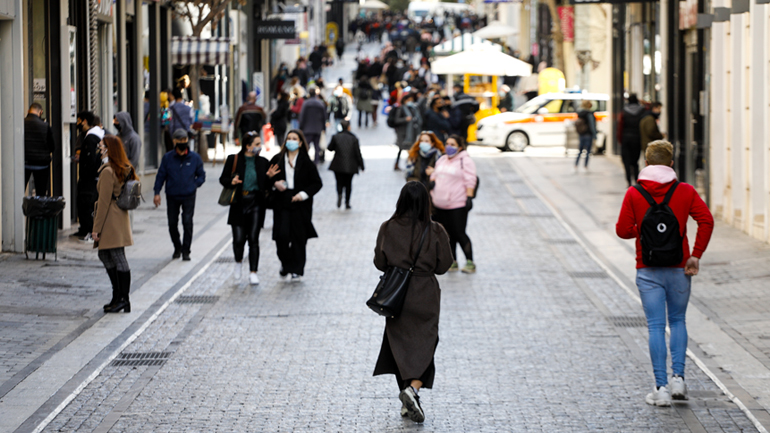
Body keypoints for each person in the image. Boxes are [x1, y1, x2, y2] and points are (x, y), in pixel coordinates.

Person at [616, 140, 714, 407]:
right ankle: (679, 379)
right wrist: (696, 254)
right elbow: (706, 220)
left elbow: (623, 230)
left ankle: (660, 389)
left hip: (647, 269)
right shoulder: (685, 191)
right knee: (679, 320)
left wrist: (643, 232)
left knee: (656, 326)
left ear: (646, 164)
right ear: (671, 164)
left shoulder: (634, 193)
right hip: (680, 267)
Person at [373, 181, 453, 424]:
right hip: (425, 294)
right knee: (427, 343)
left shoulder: (387, 227)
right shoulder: (436, 229)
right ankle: (413, 391)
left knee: (401, 347)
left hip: (397, 295)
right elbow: (444, 265)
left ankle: (408, 397)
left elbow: (379, 261)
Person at [220, 132, 277, 285]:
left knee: (253, 239)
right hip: (238, 203)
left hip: (256, 203)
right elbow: (223, 179)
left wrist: (270, 177)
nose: (260, 147)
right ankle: (238, 262)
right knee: (238, 239)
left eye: (260, 144)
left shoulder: (263, 162)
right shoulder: (234, 160)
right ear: (248, 146)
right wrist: (232, 181)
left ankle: (253, 271)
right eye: (257, 144)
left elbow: (266, 186)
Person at [268, 130, 323, 281]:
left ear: (300, 143)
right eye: (289, 138)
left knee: (299, 238)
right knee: (281, 236)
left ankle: (297, 268)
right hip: (282, 202)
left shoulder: (306, 162)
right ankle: (286, 264)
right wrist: (273, 182)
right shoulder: (277, 159)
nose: (291, 141)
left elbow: (317, 183)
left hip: (300, 204)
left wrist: (302, 195)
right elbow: (265, 179)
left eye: (294, 139)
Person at [92, 135, 137, 314]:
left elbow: (103, 202)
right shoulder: (121, 168)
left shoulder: (108, 171)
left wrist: (96, 229)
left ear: (109, 149)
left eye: (102, 146)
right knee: (105, 254)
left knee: (117, 257)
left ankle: (123, 299)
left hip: (111, 219)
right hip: (118, 217)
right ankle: (117, 296)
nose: (99, 148)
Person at [153, 129, 206, 261]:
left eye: (185, 140)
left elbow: (202, 175)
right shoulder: (168, 158)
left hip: (189, 195)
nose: (183, 143)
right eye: (180, 140)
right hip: (172, 195)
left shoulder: (195, 158)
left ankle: (186, 250)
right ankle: (177, 247)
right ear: (174, 142)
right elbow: (161, 176)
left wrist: (194, 185)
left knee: (187, 222)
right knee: (172, 223)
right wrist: (156, 192)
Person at [428, 135, 477, 273]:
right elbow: (435, 175)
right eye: (447, 144)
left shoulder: (465, 161)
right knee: (447, 235)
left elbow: (470, 179)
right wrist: (432, 180)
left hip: (457, 204)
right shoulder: (442, 159)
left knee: (459, 233)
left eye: (452, 144)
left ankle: (470, 262)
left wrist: (469, 197)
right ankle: (452, 261)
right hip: (439, 204)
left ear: (460, 147)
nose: (449, 147)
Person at [74, 111, 104, 241]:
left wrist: (87, 172)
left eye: (79, 120)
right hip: (91, 178)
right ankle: (86, 230)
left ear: (85, 121)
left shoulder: (91, 138)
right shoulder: (94, 136)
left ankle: (90, 232)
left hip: (89, 179)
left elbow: (91, 159)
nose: (77, 123)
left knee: (87, 204)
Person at [328, 120, 365, 209]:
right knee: (348, 184)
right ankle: (347, 202)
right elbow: (358, 153)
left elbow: (330, 148)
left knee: (339, 182)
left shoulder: (336, 136)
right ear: (349, 127)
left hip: (338, 164)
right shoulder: (353, 138)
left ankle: (340, 193)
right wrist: (361, 165)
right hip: (350, 165)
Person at [24, 103, 56, 196]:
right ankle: (39, 209)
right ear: (41, 112)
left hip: (25, 163)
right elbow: (52, 146)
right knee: (41, 192)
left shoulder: (22, 124)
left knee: (19, 190)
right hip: (42, 164)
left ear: (28, 111)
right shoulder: (45, 126)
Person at [618, 94, 646, 187]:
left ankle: (629, 181)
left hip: (626, 139)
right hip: (637, 138)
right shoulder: (642, 111)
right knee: (635, 161)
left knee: (626, 161)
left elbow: (620, 127)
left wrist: (620, 139)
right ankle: (637, 180)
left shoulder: (624, 111)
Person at [298, 86, 328, 164]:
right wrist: (324, 128)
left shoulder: (306, 103)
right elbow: (324, 117)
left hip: (307, 128)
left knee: (306, 146)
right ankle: (316, 161)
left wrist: (301, 127)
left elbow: (302, 116)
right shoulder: (320, 103)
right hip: (317, 128)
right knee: (317, 146)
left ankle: (305, 161)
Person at [392, 92, 421, 171]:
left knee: (411, 148)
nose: (410, 102)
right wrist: (405, 119)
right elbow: (396, 120)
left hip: (412, 132)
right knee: (401, 148)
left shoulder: (414, 108)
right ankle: (397, 164)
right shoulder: (401, 109)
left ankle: (410, 164)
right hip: (402, 132)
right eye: (409, 100)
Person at [575, 100, 597, 169]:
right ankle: (585, 165)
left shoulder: (580, 113)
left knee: (580, 150)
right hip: (588, 134)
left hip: (581, 134)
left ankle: (576, 164)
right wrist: (595, 135)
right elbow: (592, 125)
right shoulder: (589, 114)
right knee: (587, 151)